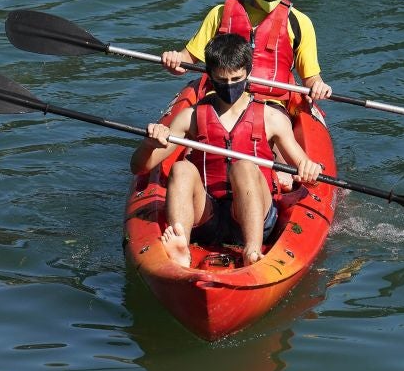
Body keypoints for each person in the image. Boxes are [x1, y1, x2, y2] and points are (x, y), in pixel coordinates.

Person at [130, 33, 324, 268]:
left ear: (248, 73)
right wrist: (150, 144)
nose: (230, 86)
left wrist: (308, 170)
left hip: (254, 216)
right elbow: (140, 167)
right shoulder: (191, 117)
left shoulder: (271, 117)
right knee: (181, 168)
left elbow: (308, 173)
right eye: (222, 80)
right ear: (210, 76)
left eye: (236, 79)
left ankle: (252, 251)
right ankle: (181, 245)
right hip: (207, 214)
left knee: (243, 166)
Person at [161, 0, 332, 103]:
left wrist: (318, 86)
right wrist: (175, 61)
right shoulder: (220, 14)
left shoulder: (300, 23)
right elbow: (185, 62)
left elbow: (310, 78)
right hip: (221, 98)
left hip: (271, 105)